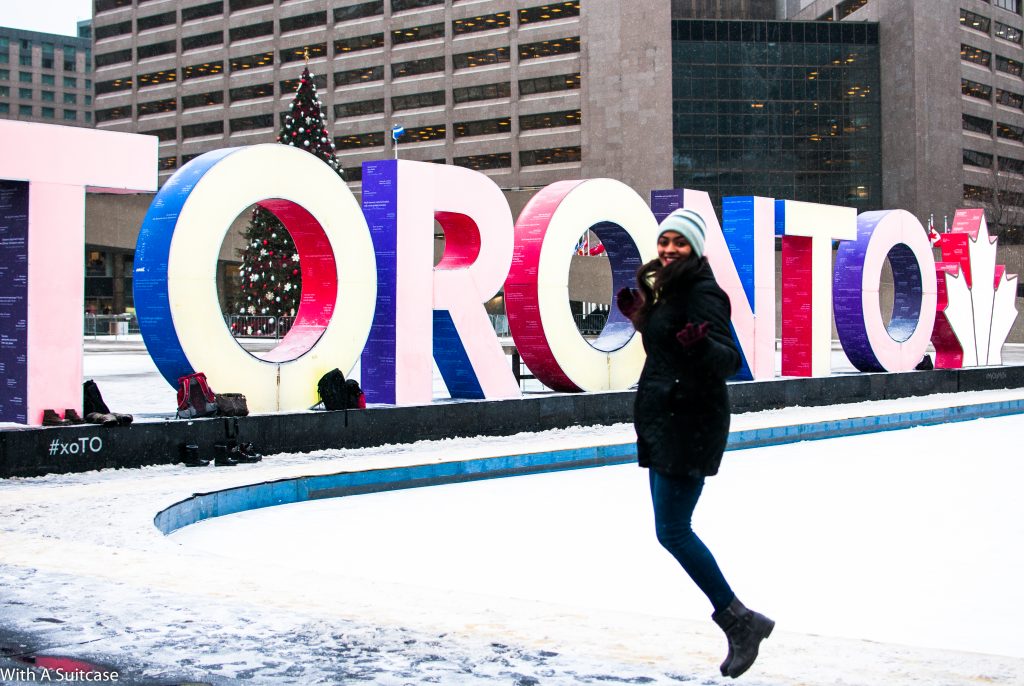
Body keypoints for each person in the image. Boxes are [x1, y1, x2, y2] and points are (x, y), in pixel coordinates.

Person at [616, 208, 774, 679]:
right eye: (664, 241)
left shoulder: (705, 292)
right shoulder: (670, 289)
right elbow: (671, 345)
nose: (668, 250)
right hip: (667, 418)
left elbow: (727, 360)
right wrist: (643, 318)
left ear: (696, 249)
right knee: (672, 529)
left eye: (679, 243)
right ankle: (740, 621)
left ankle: (740, 621)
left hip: (690, 424)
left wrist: (702, 346)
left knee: (673, 530)